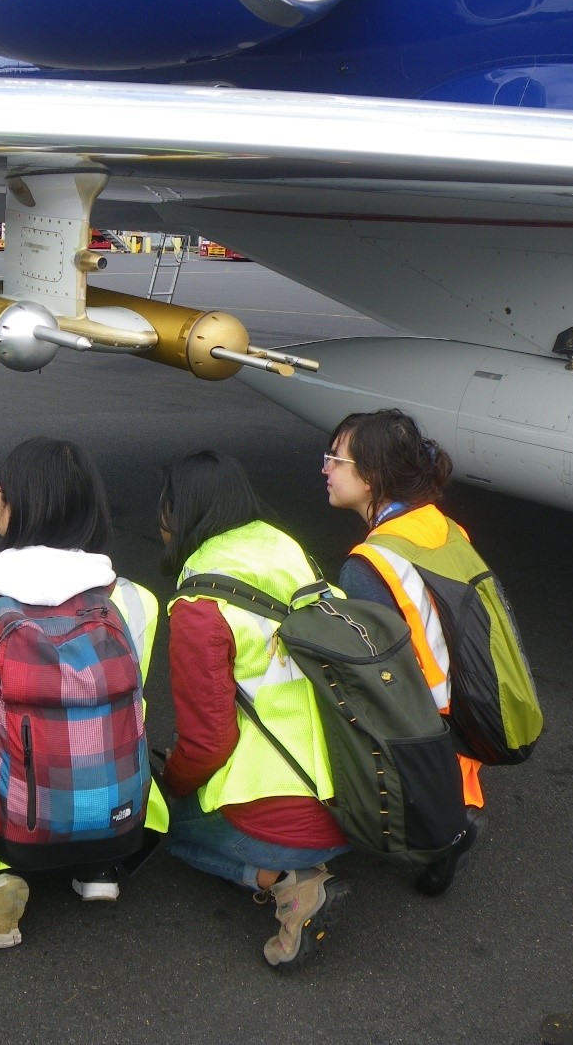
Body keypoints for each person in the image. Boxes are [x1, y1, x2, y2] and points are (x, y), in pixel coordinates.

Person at [0, 436, 169, 951]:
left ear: (10, 506)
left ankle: (0, 877)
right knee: (103, 759)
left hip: (15, 807)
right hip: (114, 802)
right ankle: (100, 868)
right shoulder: (132, 600)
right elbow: (133, 710)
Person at [158, 450, 351, 970]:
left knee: (164, 828)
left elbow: (207, 744)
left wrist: (168, 787)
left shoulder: (199, 605)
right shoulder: (290, 552)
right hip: (356, 803)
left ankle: (291, 882)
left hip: (279, 823)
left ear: (178, 513)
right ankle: (303, 866)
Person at [322, 407, 486, 895]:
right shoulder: (440, 527)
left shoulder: (369, 565)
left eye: (336, 460)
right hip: (468, 703)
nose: (325, 469)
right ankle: (457, 809)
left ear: (371, 479)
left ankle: (439, 833)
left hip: (425, 725)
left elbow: (375, 666)